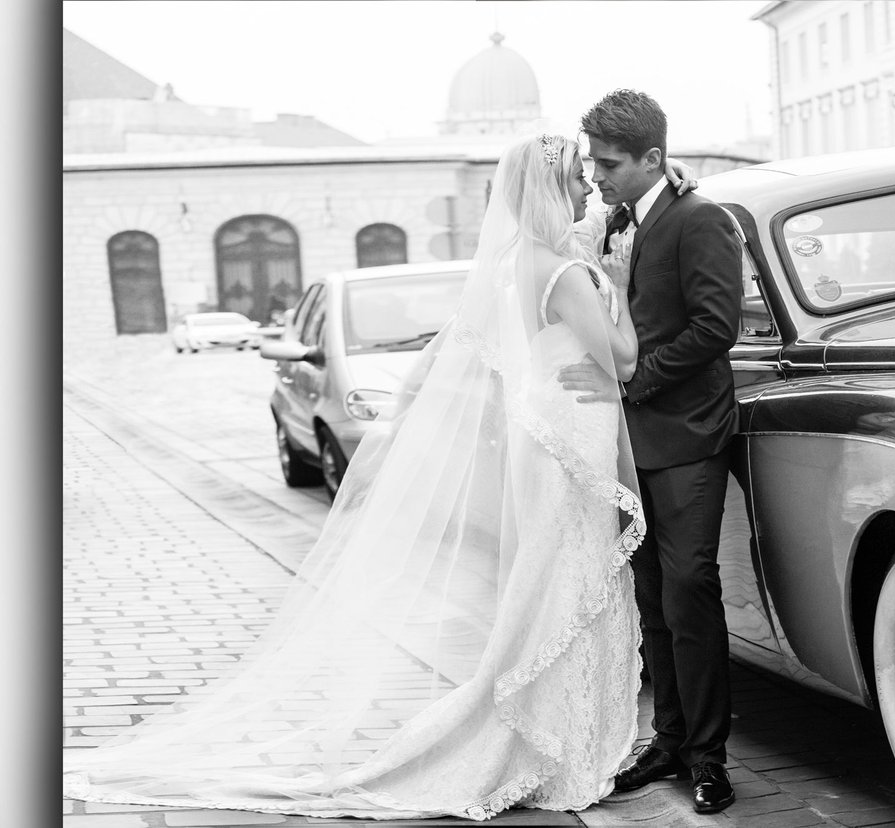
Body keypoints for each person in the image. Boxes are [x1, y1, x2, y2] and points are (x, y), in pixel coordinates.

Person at [63, 130, 694, 820]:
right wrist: (623, 294)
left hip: (552, 432)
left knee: (554, 589)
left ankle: (547, 736)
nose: (585, 188)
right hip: (571, 438)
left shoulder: (523, 262)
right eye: (577, 177)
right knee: (569, 591)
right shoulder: (565, 272)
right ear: (549, 188)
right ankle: (543, 743)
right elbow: (625, 363)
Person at [561, 89, 744, 815]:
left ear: (654, 160)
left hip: (691, 435)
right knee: (653, 601)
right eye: (595, 163)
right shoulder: (613, 219)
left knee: (691, 589)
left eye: (610, 164)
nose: (598, 175)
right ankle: (668, 741)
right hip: (627, 443)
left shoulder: (701, 220)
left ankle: (709, 759)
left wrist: (631, 381)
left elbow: (714, 328)